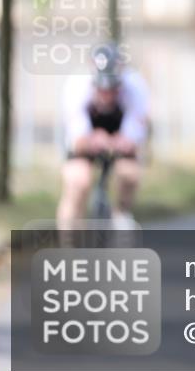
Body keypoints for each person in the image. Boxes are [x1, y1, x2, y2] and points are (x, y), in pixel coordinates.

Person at [58, 42, 150, 231]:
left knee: (129, 173)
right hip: (88, 136)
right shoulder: (77, 86)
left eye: (112, 89)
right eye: (102, 89)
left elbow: (134, 138)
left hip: (119, 131)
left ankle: (121, 213)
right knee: (78, 181)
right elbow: (77, 141)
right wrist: (93, 139)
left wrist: (119, 141)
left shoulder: (136, 85)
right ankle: (68, 241)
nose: (107, 94)